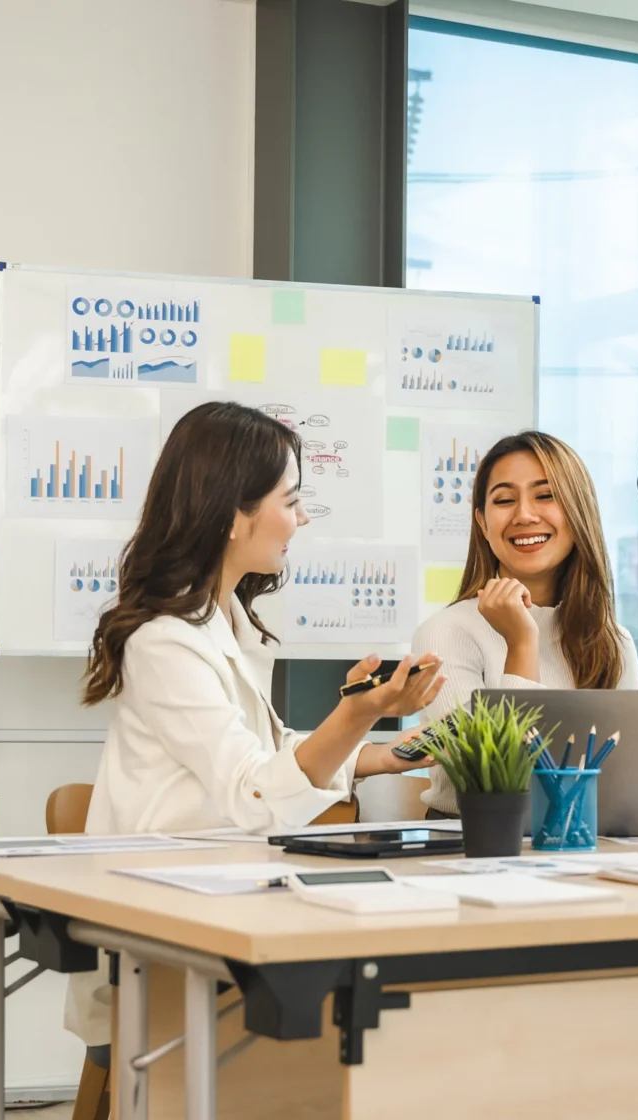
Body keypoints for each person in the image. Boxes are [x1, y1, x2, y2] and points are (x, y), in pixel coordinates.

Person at [66, 400, 445, 1047]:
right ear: (231, 515)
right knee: (374, 1010)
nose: (302, 518)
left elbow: (263, 753)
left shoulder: (228, 623)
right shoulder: (164, 643)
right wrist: (356, 714)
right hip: (162, 932)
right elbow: (253, 792)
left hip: (224, 898)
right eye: (290, 501)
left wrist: (375, 753)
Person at [411, 431, 638, 813]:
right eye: (504, 500)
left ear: (579, 511)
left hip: (585, 836)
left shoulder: (612, 639)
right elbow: (495, 783)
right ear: (482, 523)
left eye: (545, 495)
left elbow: (628, 773)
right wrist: (521, 643)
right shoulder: (446, 633)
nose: (524, 515)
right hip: (476, 837)